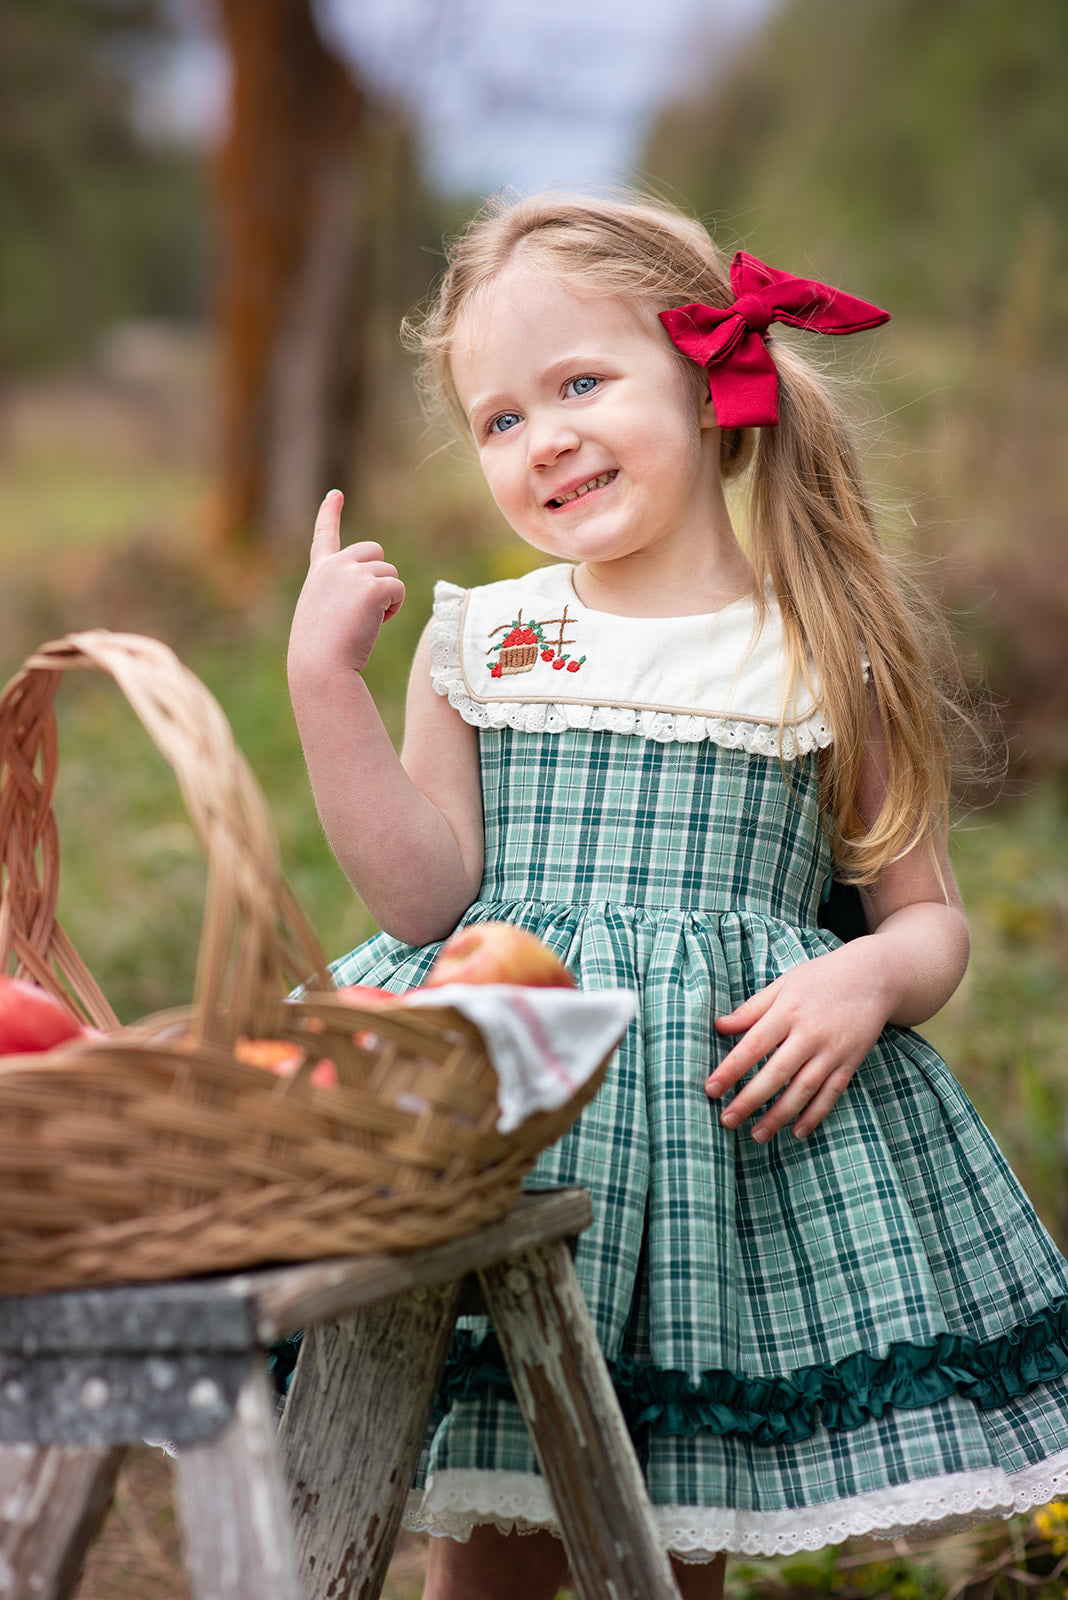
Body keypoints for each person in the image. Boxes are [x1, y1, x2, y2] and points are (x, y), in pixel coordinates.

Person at [286, 191, 1068, 1600]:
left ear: (713, 378)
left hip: (720, 1155)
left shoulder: (825, 646)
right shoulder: (490, 636)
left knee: (662, 1547)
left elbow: (929, 918)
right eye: (501, 419)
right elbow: (420, 899)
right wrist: (324, 686)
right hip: (507, 1122)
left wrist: (865, 977)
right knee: (491, 1542)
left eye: (582, 383)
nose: (546, 439)